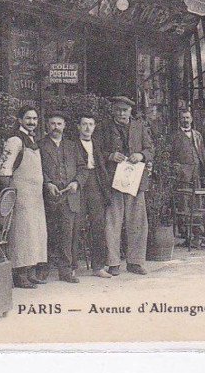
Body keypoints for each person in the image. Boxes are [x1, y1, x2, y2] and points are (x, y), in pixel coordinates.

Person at [102, 96, 155, 276]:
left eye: (124, 110)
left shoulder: (139, 127)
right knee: (112, 222)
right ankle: (113, 262)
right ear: (113, 110)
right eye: (118, 110)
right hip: (113, 181)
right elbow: (96, 150)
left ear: (130, 111)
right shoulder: (104, 127)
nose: (121, 113)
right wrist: (110, 156)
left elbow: (150, 149)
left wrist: (141, 155)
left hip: (136, 181)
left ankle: (135, 262)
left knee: (137, 222)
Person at [0, 106, 48, 289]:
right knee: (22, 234)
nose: (32, 122)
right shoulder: (15, 140)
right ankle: (20, 274)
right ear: (20, 120)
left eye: (34, 119)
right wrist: (10, 195)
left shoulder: (32, 140)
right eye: (28, 118)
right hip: (21, 195)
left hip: (35, 196)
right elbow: (4, 170)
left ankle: (31, 272)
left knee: (35, 233)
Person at [39, 112, 87, 284]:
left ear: (64, 126)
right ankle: (43, 270)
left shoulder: (72, 146)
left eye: (59, 124)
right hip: (49, 197)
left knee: (67, 235)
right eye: (52, 124)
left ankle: (65, 271)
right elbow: (37, 169)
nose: (56, 127)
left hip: (69, 197)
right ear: (47, 125)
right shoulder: (40, 146)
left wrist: (76, 182)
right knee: (47, 234)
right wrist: (48, 183)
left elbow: (83, 168)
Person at [75, 113, 112, 278]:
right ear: (78, 127)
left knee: (98, 225)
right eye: (84, 124)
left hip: (96, 184)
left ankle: (98, 267)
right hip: (79, 185)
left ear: (94, 127)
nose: (87, 128)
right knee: (76, 225)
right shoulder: (72, 145)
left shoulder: (97, 144)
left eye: (90, 124)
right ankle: (72, 267)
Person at [171, 108, 205, 188]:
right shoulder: (175, 136)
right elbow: (171, 154)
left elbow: (202, 153)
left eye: (187, 117)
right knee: (184, 193)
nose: (185, 120)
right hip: (183, 171)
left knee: (197, 192)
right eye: (183, 118)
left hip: (197, 170)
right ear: (179, 120)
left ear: (191, 119)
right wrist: (178, 168)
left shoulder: (197, 135)